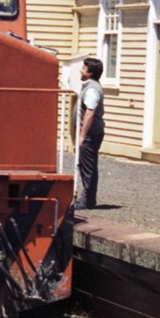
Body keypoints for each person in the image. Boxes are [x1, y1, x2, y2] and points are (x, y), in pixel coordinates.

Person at [73, 57, 105, 209]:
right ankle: (88, 198)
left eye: (84, 68)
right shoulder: (89, 86)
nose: (81, 70)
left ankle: (87, 199)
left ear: (90, 72)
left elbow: (90, 113)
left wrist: (82, 135)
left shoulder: (92, 89)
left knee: (88, 167)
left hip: (90, 134)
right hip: (89, 134)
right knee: (86, 165)